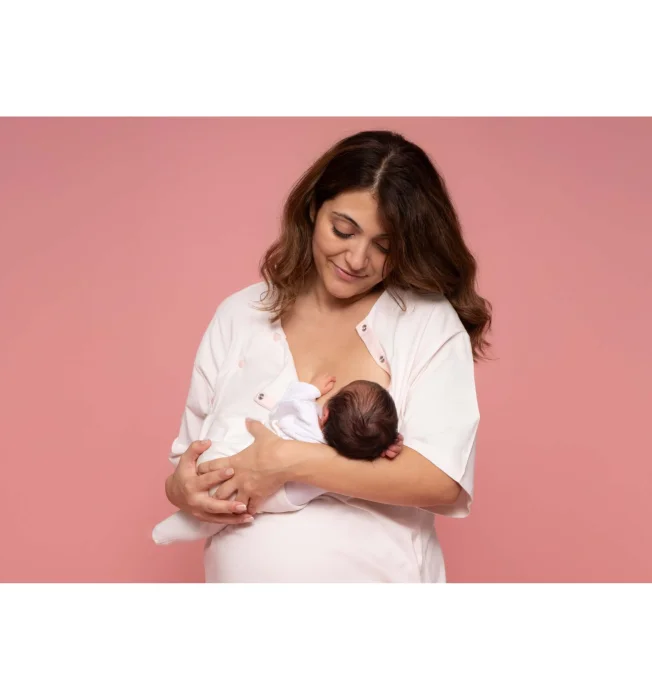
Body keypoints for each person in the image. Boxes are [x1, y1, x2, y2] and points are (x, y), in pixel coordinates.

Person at [164, 130, 492, 582]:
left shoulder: (424, 322)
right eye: (343, 230)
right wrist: (181, 490)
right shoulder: (241, 313)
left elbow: (443, 480)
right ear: (313, 208)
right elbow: (186, 459)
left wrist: (289, 462)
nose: (357, 258)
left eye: (384, 246)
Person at [151, 373, 401, 544]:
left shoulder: (306, 414)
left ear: (325, 414)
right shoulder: (345, 461)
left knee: (217, 486)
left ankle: (172, 527)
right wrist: (380, 446)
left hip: (237, 459)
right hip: (276, 500)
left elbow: (291, 398)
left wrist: (312, 388)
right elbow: (364, 466)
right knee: (230, 513)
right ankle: (175, 528)